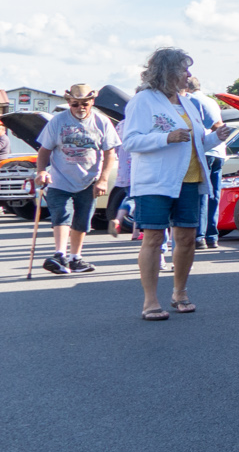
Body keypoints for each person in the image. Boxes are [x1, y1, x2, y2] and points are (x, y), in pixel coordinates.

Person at [120, 48, 229, 320]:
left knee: (187, 239)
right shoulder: (142, 101)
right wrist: (165, 138)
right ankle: (150, 301)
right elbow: (130, 141)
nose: (188, 74)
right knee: (154, 238)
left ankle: (180, 292)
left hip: (190, 180)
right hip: (156, 181)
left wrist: (217, 138)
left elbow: (197, 142)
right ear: (167, 71)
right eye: (183, 69)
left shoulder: (188, 102)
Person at [34, 84, 118, 275]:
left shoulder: (102, 122)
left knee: (83, 219)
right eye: (75, 104)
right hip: (59, 179)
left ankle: (75, 258)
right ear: (68, 103)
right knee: (62, 214)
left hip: (88, 180)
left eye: (85, 104)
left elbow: (110, 152)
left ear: (92, 102)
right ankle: (60, 254)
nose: (80, 108)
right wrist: (41, 171)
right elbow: (44, 150)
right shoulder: (58, 121)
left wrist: (103, 179)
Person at [190, 82, 228, 249]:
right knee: (214, 194)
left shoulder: (189, 99)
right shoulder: (211, 101)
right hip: (219, 151)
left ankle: (199, 235)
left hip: (204, 149)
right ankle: (212, 235)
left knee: (201, 194)